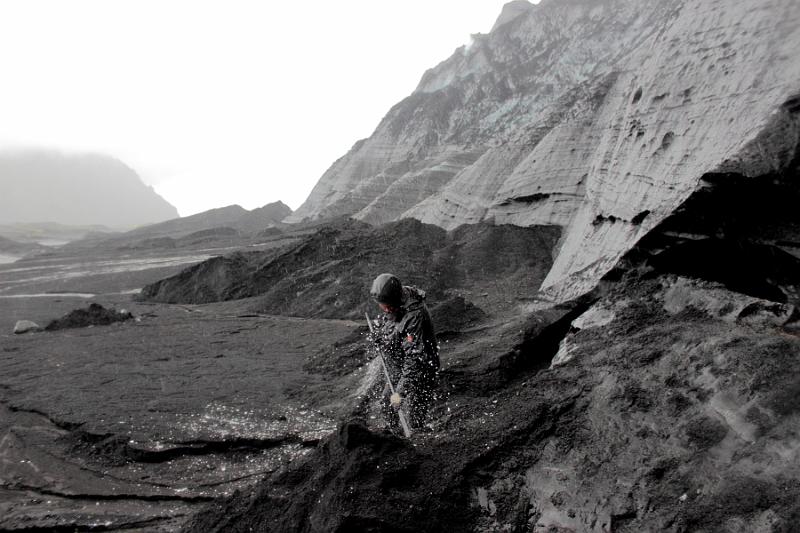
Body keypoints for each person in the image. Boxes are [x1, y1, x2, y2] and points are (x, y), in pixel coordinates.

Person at [368, 273, 440, 432]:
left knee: (415, 417)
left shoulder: (414, 315)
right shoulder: (396, 299)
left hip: (422, 366)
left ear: (393, 301)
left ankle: (418, 439)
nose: (383, 309)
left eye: (385, 305)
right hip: (399, 363)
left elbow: (414, 358)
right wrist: (381, 336)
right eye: (382, 305)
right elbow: (394, 325)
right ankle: (394, 435)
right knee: (387, 402)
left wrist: (400, 393)